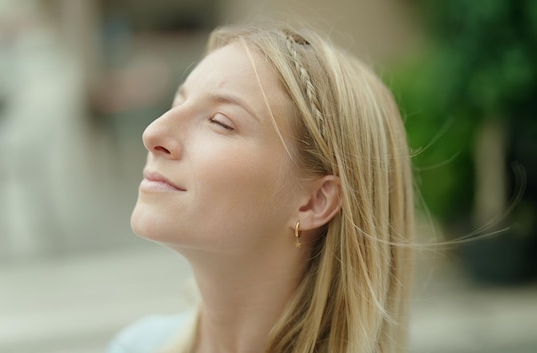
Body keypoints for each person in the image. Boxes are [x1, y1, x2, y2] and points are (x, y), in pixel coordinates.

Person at [107, 22, 414, 353]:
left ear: (315, 201)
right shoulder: (133, 346)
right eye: (177, 102)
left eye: (220, 122)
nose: (153, 133)